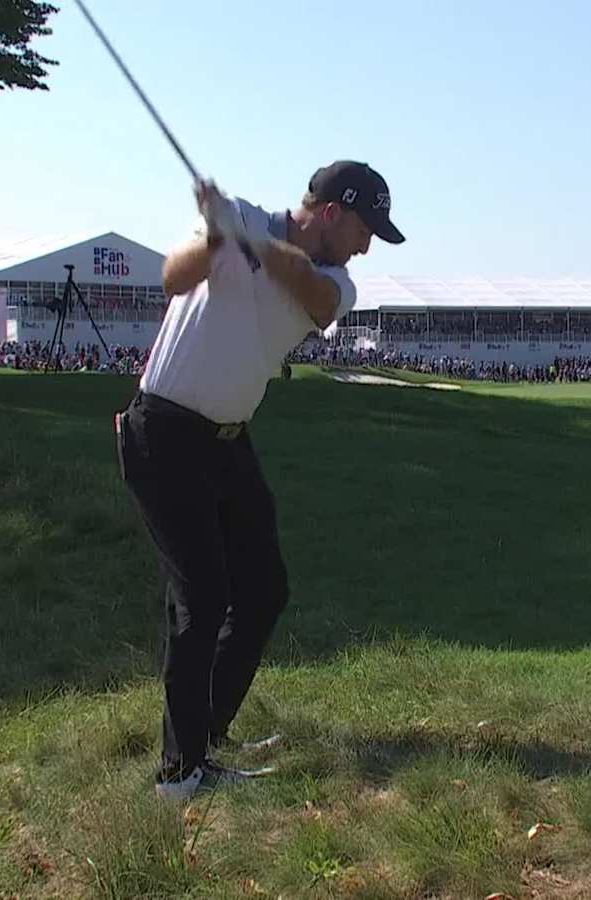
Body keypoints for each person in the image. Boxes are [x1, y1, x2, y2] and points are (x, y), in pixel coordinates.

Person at [117, 161, 404, 802]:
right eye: (365, 230)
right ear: (331, 213)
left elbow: (313, 294)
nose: (366, 247)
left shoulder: (336, 281)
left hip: (227, 440)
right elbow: (173, 277)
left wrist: (249, 240)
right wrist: (218, 239)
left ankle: (207, 734)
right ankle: (179, 775)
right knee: (202, 597)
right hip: (163, 433)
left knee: (263, 590)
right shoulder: (238, 221)